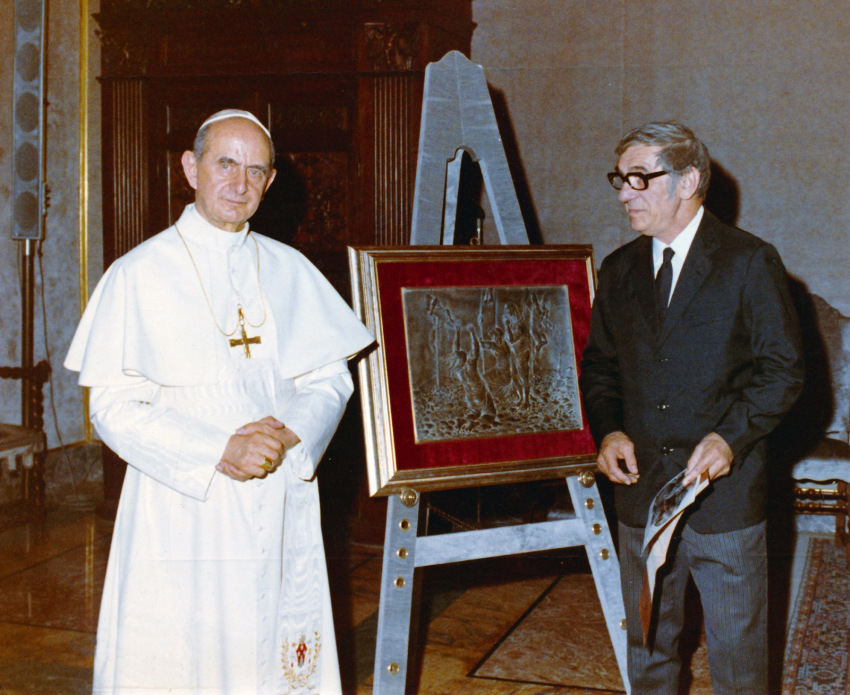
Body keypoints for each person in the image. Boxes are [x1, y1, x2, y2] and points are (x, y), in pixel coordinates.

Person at [65, 109, 374, 694]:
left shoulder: (290, 269)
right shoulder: (139, 274)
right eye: (226, 164)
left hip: (278, 491)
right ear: (191, 168)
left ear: (270, 182)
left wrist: (285, 435)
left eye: (256, 171)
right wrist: (220, 448)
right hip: (185, 500)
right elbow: (113, 408)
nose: (240, 183)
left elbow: (330, 381)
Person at [579, 122, 804, 693]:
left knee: (738, 660)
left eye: (639, 178)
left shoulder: (749, 261)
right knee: (648, 645)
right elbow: (600, 368)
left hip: (723, 498)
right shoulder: (618, 270)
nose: (624, 194)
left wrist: (730, 438)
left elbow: (783, 372)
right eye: (620, 180)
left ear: (687, 182)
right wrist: (609, 432)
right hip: (640, 495)